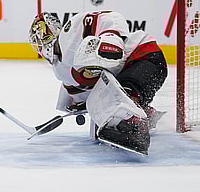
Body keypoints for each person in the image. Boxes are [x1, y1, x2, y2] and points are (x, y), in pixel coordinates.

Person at [28, 11, 168, 155]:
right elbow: (90, 92)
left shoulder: (69, 32)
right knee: (110, 104)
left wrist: (111, 37)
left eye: (40, 38)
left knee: (123, 97)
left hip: (146, 56)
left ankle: (137, 126)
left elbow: (109, 17)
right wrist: (77, 105)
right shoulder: (60, 70)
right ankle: (145, 112)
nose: (40, 46)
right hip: (127, 75)